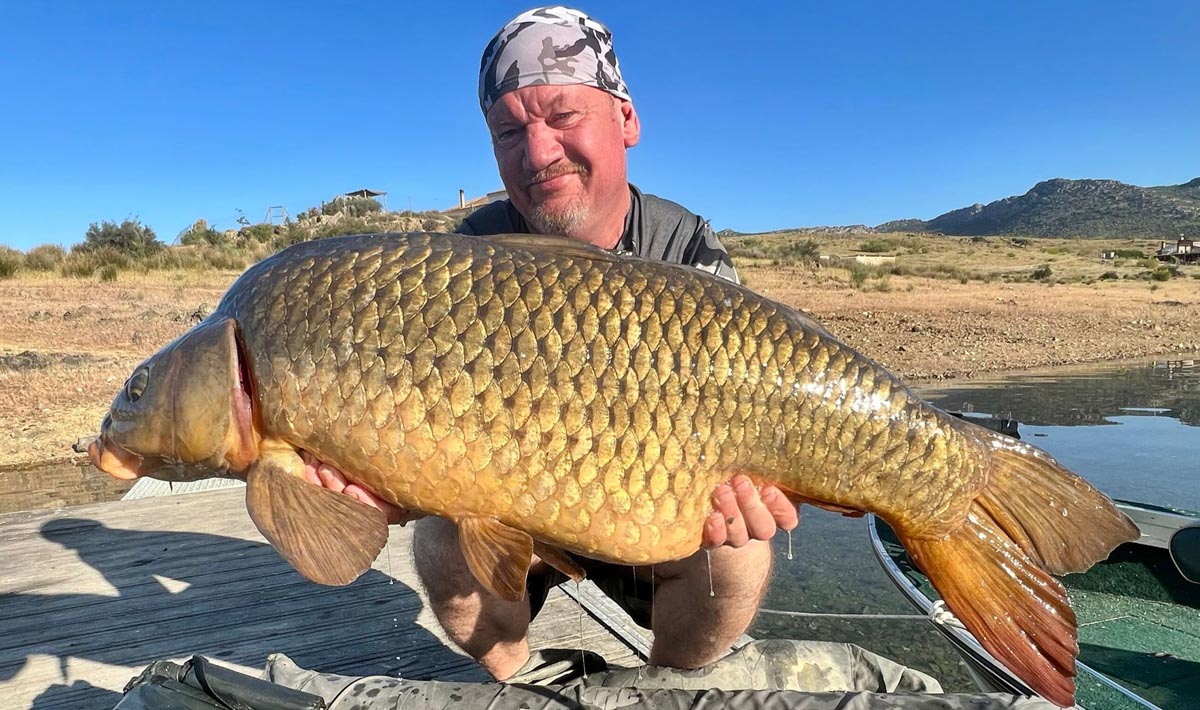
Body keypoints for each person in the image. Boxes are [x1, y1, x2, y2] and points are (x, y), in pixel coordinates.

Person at [304, 5, 798, 682]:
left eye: (563, 116)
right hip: (514, 523)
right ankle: (513, 679)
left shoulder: (685, 251)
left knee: (737, 551)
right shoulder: (462, 259)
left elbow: (750, 423)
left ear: (626, 119)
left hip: (648, 509)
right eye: (509, 131)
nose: (537, 154)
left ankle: (666, 685)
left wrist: (756, 488)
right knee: (443, 539)